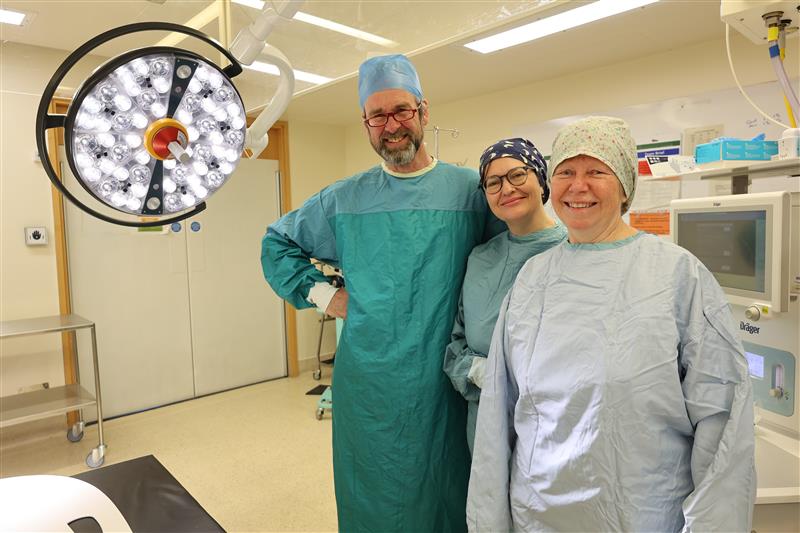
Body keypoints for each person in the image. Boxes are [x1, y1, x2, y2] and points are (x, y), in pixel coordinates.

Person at [466, 116, 755, 532]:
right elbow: (498, 413)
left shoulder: (677, 275)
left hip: (642, 512)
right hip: (538, 512)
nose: (577, 185)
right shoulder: (533, 279)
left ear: (624, 187)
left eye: (596, 171)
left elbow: (721, 417)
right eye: (566, 171)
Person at [261, 54, 503, 533]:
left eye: (401, 111)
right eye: (378, 116)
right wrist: (326, 296)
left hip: (449, 380)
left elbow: (516, 251)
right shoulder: (345, 199)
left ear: (423, 112)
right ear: (366, 124)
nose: (391, 126)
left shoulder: (469, 191)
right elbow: (276, 244)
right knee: (373, 497)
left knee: (448, 492)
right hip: (370, 386)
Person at [444, 138, 566, 455]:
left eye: (517, 175)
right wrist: (480, 372)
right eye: (493, 183)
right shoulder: (480, 258)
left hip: (549, 429)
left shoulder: (571, 253)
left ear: (541, 180)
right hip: (483, 420)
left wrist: (507, 379)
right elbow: (458, 340)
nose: (506, 189)